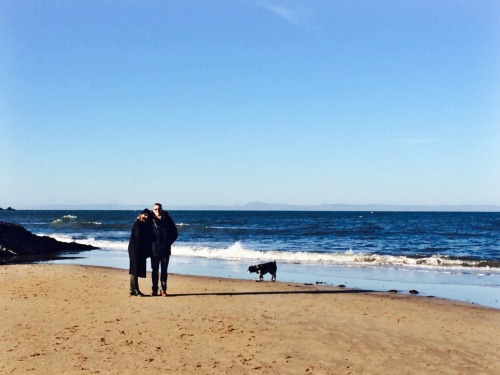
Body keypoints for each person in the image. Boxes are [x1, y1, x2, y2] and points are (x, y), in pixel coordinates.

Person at [150, 203, 178, 296]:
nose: (157, 211)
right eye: (155, 209)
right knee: (154, 270)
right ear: (153, 210)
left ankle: (163, 290)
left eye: (159, 209)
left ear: (162, 209)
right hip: (154, 250)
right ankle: (154, 290)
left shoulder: (168, 220)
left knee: (164, 270)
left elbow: (175, 233)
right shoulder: (150, 220)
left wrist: (168, 243)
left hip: (165, 250)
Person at [128, 208, 153, 296]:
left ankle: (132, 289)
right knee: (135, 269)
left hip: (138, 248)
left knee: (134, 269)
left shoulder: (142, 223)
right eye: (144, 214)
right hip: (135, 249)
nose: (146, 216)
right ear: (141, 214)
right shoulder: (138, 223)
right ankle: (135, 290)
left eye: (147, 215)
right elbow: (139, 236)